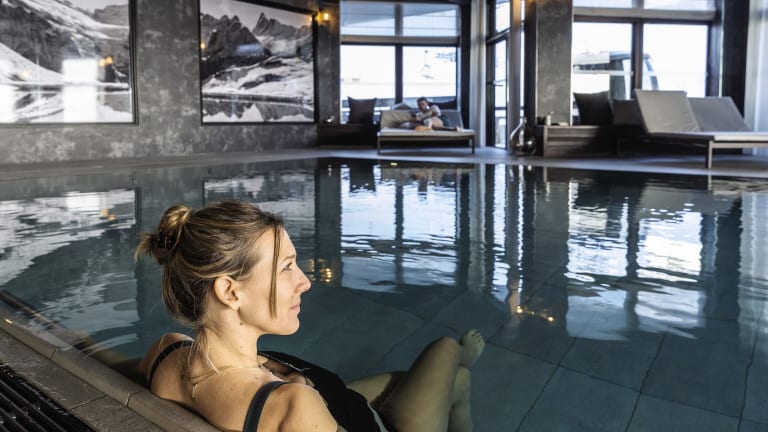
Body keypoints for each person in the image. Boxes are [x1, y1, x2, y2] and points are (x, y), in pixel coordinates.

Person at [135, 200, 485, 432]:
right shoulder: (293, 407)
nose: (304, 281)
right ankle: (460, 359)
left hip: (330, 399)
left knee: (446, 377)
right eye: (286, 267)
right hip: (374, 425)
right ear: (230, 291)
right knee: (447, 353)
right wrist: (301, 398)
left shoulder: (167, 352)